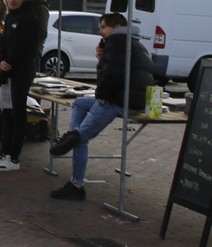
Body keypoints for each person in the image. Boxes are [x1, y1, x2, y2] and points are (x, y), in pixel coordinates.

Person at [48, 12, 156, 200]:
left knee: (81, 140)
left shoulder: (117, 42)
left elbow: (110, 77)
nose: (100, 32)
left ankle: (76, 183)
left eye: (104, 27)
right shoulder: (134, 42)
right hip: (133, 100)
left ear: (117, 27)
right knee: (80, 102)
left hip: (118, 101)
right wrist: (102, 59)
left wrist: (101, 95)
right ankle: (72, 134)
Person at [0, 0, 43, 172]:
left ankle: (14, 158)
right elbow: (5, 43)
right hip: (6, 71)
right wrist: (2, 60)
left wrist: (10, 62)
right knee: (7, 112)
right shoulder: (9, 17)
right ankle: (3, 152)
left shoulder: (29, 18)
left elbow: (26, 47)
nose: (12, 0)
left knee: (18, 113)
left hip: (21, 72)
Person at [24, 0, 51, 69]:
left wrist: (33, 45)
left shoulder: (41, 8)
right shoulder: (26, 7)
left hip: (33, 51)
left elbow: (43, 31)